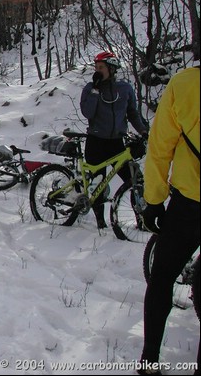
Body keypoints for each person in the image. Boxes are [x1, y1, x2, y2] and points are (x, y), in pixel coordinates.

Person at [137, 65, 200, 376]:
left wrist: (154, 200)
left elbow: (160, 148)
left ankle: (149, 361)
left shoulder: (184, 83)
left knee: (162, 279)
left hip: (188, 205)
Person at [79, 51, 148, 229]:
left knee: (134, 178)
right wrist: (95, 89)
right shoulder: (90, 88)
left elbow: (132, 112)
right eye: (96, 67)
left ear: (111, 68)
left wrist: (142, 130)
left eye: (101, 67)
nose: (98, 70)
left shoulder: (124, 88)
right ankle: (100, 221)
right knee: (98, 183)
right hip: (96, 141)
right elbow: (87, 113)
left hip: (116, 142)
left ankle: (142, 218)